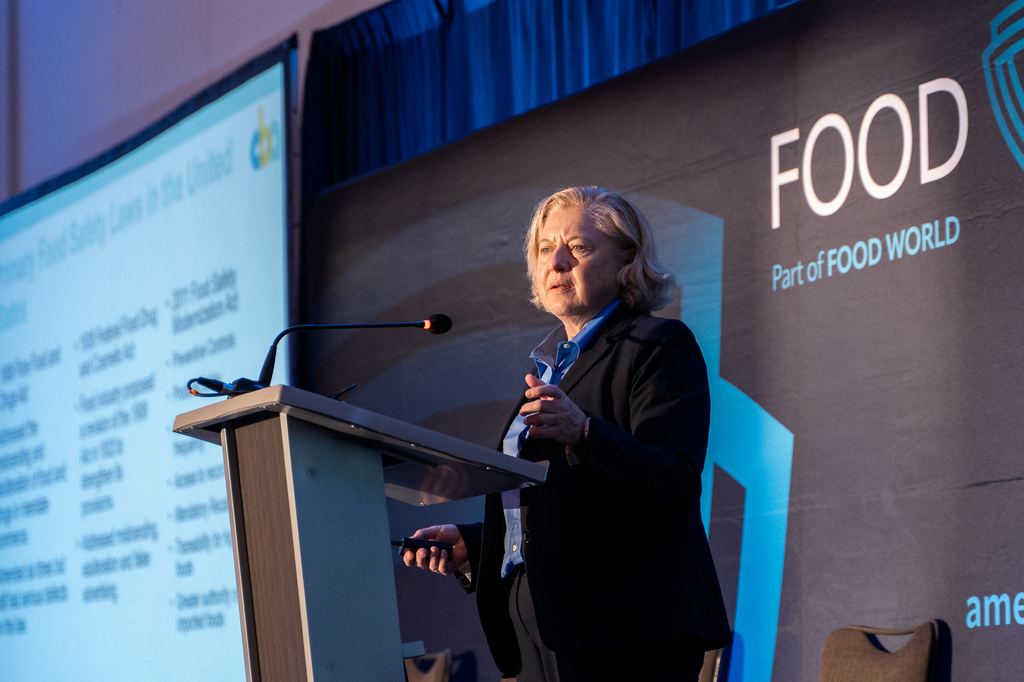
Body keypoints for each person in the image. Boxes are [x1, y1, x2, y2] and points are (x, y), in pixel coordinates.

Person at [402, 187, 731, 681]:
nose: (556, 262)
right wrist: (478, 542)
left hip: (624, 629)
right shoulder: (549, 369)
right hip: (539, 617)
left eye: (578, 247)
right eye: (544, 249)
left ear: (628, 262)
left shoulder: (657, 346)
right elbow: (568, 507)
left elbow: (675, 477)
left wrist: (585, 432)